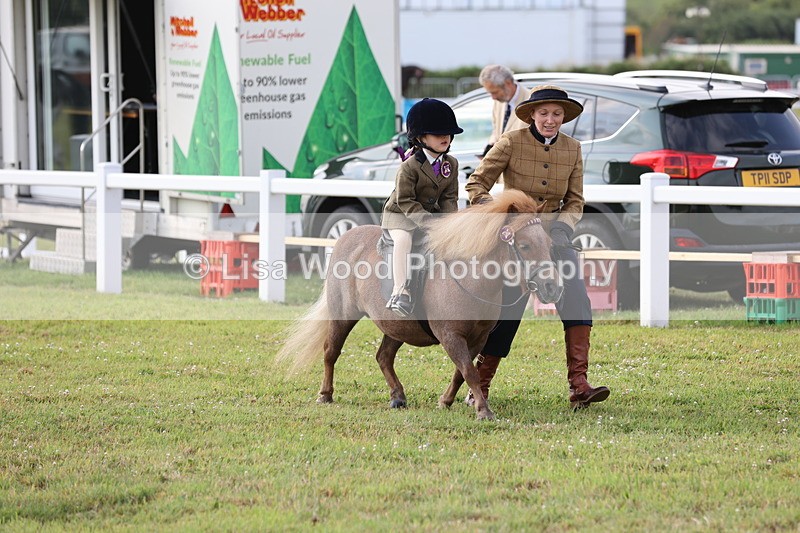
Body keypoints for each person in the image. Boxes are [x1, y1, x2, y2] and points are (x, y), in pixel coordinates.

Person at [464, 85, 610, 409]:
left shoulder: (573, 148)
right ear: (532, 114)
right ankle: (479, 387)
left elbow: (575, 201)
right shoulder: (511, 141)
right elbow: (476, 183)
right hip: (515, 241)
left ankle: (579, 386)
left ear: (564, 117)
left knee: (577, 300)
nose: (550, 120)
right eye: (544, 113)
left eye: (557, 114)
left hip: (555, 238)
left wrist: (562, 228)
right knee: (508, 311)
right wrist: (498, 215)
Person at [381, 98, 463, 317]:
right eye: (437, 134)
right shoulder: (409, 167)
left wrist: (450, 223)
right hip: (400, 215)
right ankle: (399, 291)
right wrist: (428, 222)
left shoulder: (451, 163)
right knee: (404, 240)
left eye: (448, 133)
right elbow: (405, 200)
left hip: (431, 215)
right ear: (420, 137)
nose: (445, 137)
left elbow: (449, 197)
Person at [478, 64, 530, 157]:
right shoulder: (499, 102)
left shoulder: (531, 102)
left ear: (508, 83)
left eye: (495, 92)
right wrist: (490, 147)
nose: (493, 97)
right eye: (490, 93)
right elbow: (496, 131)